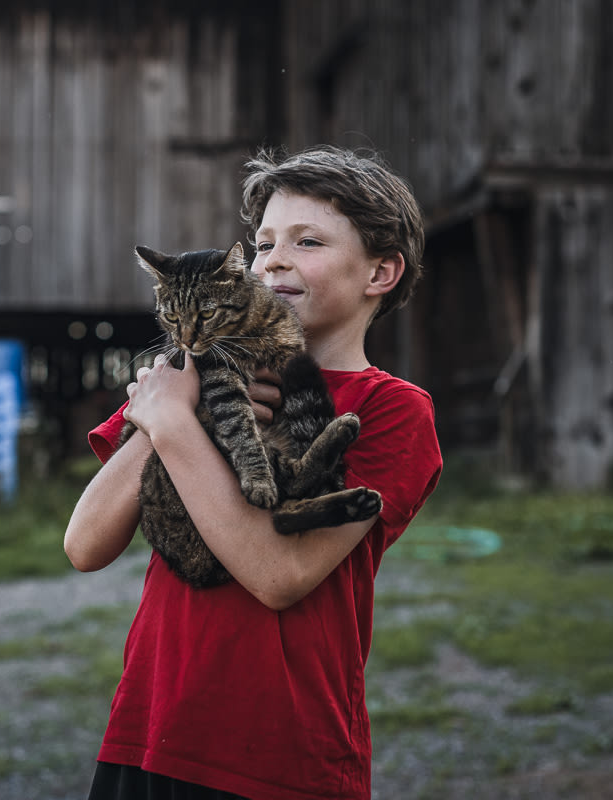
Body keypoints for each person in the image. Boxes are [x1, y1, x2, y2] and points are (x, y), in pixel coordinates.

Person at [64, 144, 443, 800]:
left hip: (284, 761)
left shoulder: (391, 411)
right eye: (263, 242)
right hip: (148, 734)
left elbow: (279, 574)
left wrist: (178, 427)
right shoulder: (189, 382)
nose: (273, 259)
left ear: (380, 272)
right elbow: (84, 545)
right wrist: (162, 417)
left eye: (308, 240)